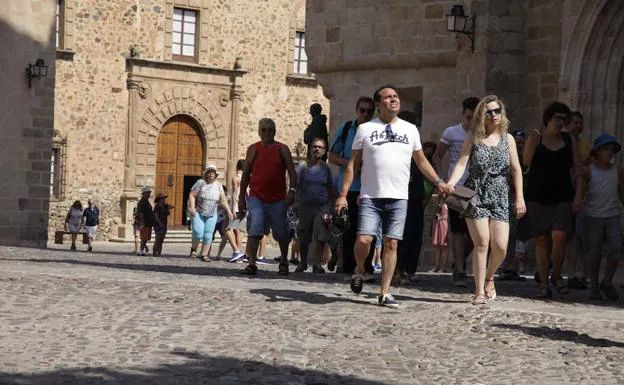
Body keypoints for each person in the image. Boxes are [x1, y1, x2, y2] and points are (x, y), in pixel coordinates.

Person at [334, 85, 451, 308]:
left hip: (399, 197)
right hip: (370, 195)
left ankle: (385, 292)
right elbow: (353, 164)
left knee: (391, 244)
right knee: (363, 240)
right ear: (379, 104)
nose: (393, 100)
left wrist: (438, 181)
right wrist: (343, 195)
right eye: (387, 97)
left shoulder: (410, 130)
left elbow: (421, 161)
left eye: (395, 96)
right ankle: (360, 269)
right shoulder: (365, 129)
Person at [447, 95, 526, 305]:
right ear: (482, 115)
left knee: (500, 246)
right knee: (482, 243)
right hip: (476, 194)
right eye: (489, 112)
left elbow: (516, 169)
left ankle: (490, 276)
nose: (493, 115)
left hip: (501, 194)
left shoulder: (508, 139)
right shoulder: (474, 136)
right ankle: (479, 291)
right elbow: (462, 162)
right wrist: (452, 183)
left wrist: (520, 198)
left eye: (497, 111)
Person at [521, 101, 581, 298]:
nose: (561, 122)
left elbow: (577, 167)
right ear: (548, 118)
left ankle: (556, 274)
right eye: (558, 118)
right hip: (538, 195)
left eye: (564, 119)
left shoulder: (569, 139)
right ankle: (544, 285)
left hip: (563, 195)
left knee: (560, 236)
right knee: (541, 240)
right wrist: (532, 143)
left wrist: (579, 195)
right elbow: (526, 162)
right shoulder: (536, 137)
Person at [238, 118, 297, 275]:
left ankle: (284, 260)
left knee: (281, 233)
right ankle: (251, 263)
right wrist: (241, 198)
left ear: (275, 131)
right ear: (259, 131)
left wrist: (292, 191)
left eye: (270, 129)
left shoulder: (282, 149)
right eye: (263, 130)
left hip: (277, 200)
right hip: (256, 197)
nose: (267, 133)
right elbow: (245, 176)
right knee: (255, 228)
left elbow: (292, 172)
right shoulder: (253, 149)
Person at [328, 96, 377, 282]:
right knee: (349, 230)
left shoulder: (375, 130)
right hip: (350, 188)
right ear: (357, 110)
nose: (365, 114)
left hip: (370, 188)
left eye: (369, 111)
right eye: (362, 110)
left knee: (368, 230)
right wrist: (353, 165)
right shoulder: (347, 128)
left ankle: (366, 268)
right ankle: (349, 268)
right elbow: (332, 156)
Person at [432, 97, 479, 288]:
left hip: (478, 189)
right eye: (468, 117)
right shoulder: (451, 132)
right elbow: (437, 155)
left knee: (476, 234)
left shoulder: (484, 135)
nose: (470, 122)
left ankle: (459, 261)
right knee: (459, 231)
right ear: (463, 113)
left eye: (473, 118)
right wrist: (441, 180)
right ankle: (460, 269)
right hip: (456, 187)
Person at [574, 133, 622, 301]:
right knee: (593, 253)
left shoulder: (617, 171)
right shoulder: (588, 171)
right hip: (592, 216)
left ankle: (607, 282)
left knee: (616, 249)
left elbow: (621, 193)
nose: (609, 153)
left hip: (612, 216)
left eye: (611, 149)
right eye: (606, 149)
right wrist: (578, 200)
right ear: (597, 151)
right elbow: (580, 191)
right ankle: (594, 287)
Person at [395, 110, 427, 285]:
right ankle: (398, 270)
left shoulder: (416, 147)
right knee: (403, 237)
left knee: (416, 236)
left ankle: (410, 270)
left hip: (416, 199)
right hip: (401, 198)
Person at [294, 137, 336, 273]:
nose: (316, 149)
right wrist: (295, 201)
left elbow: (330, 187)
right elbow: (295, 185)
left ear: (324, 151)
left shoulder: (326, 169)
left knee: (321, 236)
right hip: (305, 207)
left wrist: (333, 205)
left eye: (320, 147)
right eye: (314, 146)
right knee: (304, 236)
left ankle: (317, 264)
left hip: (322, 207)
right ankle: (303, 262)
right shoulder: (303, 167)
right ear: (310, 149)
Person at [565, 111, 591, 290]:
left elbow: (581, 168)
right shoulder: (561, 141)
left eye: (580, 123)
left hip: (578, 195)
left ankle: (578, 273)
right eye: (575, 123)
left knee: (577, 236)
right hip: (560, 193)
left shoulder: (585, 146)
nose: (578, 126)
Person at [498, 129, 528, 281]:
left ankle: (512, 267)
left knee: (518, 235)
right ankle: (505, 267)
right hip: (508, 198)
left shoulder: (527, 159)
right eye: (517, 142)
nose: (520, 144)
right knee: (507, 234)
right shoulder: (507, 158)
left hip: (523, 200)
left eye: (522, 142)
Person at [188, 165, 233, 261]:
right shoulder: (200, 183)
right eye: (209, 172)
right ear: (206, 174)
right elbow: (192, 195)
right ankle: (193, 249)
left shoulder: (219, 185)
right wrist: (191, 208)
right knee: (198, 232)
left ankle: (204, 255)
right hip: (198, 212)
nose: (211, 174)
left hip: (212, 214)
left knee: (208, 234)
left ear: (215, 175)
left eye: (213, 172)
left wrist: (229, 211)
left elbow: (223, 200)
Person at [210, 186, 242, 260]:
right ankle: (206, 253)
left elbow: (231, 200)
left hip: (222, 220)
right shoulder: (213, 198)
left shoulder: (227, 198)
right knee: (209, 238)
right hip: (213, 220)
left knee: (224, 238)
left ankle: (219, 254)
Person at [229, 159, 245, 256]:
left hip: (237, 206)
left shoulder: (236, 178)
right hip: (245, 205)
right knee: (238, 230)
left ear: (237, 167)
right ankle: (238, 251)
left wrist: (234, 208)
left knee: (228, 229)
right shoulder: (248, 178)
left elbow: (235, 193)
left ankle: (237, 252)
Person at [431, 198, 449, 273]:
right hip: (437, 224)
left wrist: (441, 217)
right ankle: (436, 267)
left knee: (444, 247)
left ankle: (443, 267)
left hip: (444, 224)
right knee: (437, 247)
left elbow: (447, 216)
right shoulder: (438, 201)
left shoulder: (448, 202)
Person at [136, 187, 155, 256]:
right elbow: (141, 213)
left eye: (149, 193)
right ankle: (141, 251)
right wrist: (142, 222)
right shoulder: (142, 202)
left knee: (145, 238)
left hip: (148, 223)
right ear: (144, 194)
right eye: (147, 193)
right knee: (144, 238)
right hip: (145, 223)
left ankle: (143, 249)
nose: (149, 194)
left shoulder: (146, 201)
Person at [153, 193, 173, 257]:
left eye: (164, 198)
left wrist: (166, 205)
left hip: (164, 225)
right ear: (159, 199)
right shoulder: (157, 206)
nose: (164, 199)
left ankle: (159, 253)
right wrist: (160, 223)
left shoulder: (165, 206)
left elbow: (172, 206)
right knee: (157, 239)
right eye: (162, 198)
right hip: (158, 225)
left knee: (161, 240)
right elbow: (156, 216)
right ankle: (154, 253)